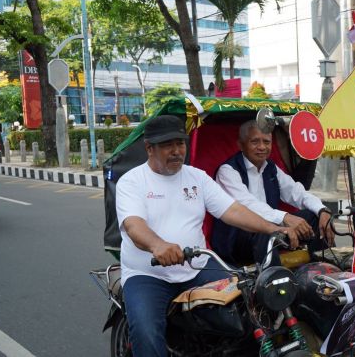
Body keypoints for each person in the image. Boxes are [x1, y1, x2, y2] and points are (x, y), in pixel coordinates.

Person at [115, 115, 297, 357]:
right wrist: (158, 245)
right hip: (148, 274)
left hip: (199, 266)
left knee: (248, 308)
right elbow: (134, 226)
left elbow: (232, 210)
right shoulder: (132, 181)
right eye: (168, 145)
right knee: (147, 333)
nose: (177, 151)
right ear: (149, 148)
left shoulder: (196, 177)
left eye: (180, 143)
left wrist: (273, 228)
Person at [212, 120, 334, 266]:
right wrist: (285, 217)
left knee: (314, 216)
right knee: (263, 231)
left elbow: (296, 192)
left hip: (274, 229)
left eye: (267, 142)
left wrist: (322, 210)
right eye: (255, 142)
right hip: (237, 239)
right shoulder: (228, 171)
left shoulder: (270, 168)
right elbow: (247, 205)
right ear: (241, 144)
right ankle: (275, 281)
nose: (262, 147)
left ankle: (321, 269)